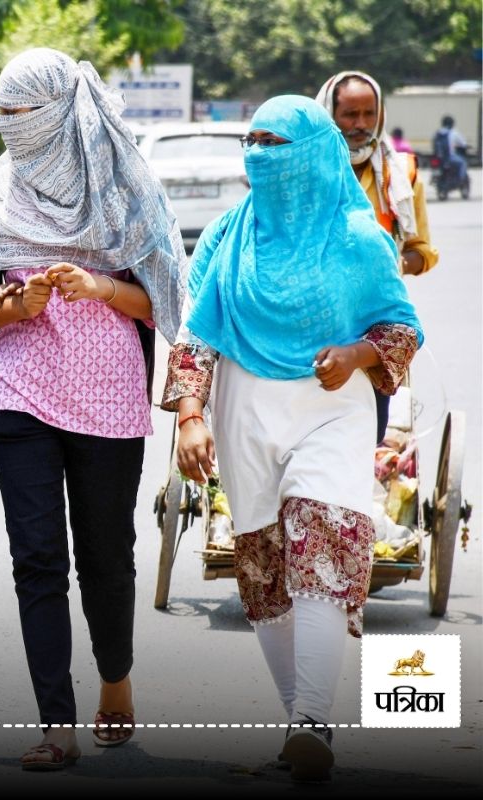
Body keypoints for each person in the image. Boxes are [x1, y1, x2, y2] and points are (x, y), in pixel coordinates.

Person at [165, 95, 422, 783]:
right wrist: (191, 415)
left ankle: (311, 718)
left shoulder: (359, 237)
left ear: (310, 152)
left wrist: (355, 355)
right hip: (243, 408)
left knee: (325, 540)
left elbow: (400, 330)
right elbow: (195, 334)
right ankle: (302, 722)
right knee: (265, 566)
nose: (258, 154)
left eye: (274, 141)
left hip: (332, 405)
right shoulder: (227, 234)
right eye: (250, 140)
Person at [0, 48, 186, 771]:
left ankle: (114, 679)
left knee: (107, 558)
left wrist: (101, 289)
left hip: (110, 401)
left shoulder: (123, 187)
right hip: (19, 397)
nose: (9, 126)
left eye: (23, 113)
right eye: (4, 113)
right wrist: (12, 306)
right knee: (38, 561)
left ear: (61, 110)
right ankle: (56, 721)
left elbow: (167, 299)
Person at [315, 71, 437, 446]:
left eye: (370, 114)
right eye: (350, 114)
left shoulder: (402, 175)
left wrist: (393, 265)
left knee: (369, 431)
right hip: (313, 320)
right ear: (328, 115)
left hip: (375, 327)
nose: (361, 124)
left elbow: (422, 250)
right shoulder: (307, 170)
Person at [433, 114, 469, 185]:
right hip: (450, 157)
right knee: (463, 162)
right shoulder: (454, 132)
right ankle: (461, 180)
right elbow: (463, 143)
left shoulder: (438, 133)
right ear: (452, 123)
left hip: (439, 158)